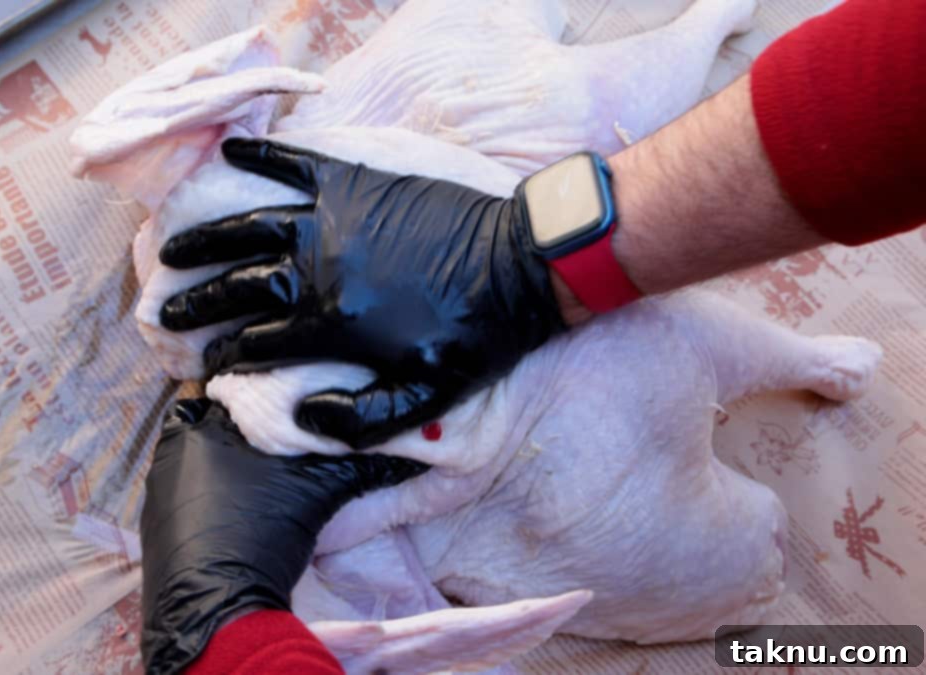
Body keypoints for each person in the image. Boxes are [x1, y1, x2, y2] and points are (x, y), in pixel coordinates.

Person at [141, 1, 926, 672]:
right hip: (534, 457)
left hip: (493, 243)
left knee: (672, 329)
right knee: (748, 545)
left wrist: (217, 622)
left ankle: (705, 33)